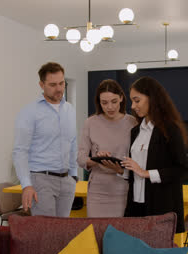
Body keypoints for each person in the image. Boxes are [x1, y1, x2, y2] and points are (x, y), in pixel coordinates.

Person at [121, 76, 188, 233]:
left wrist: (145, 173)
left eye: (137, 100)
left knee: (156, 253)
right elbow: (135, 169)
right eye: (132, 101)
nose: (133, 106)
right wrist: (120, 168)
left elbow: (182, 170)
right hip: (135, 204)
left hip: (160, 204)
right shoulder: (135, 131)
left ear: (152, 98)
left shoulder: (170, 129)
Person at [12, 62, 78, 217]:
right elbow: (20, 151)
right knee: (46, 233)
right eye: (53, 84)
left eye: (62, 83)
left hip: (67, 180)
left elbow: (73, 142)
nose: (59, 88)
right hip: (41, 180)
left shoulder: (69, 110)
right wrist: (26, 185)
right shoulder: (29, 112)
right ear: (41, 85)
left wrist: (74, 174)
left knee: (63, 231)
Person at [77, 79, 137, 217]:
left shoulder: (132, 123)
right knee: (96, 233)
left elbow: (139, 161)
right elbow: (80, 158)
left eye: (114, 101)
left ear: (121, 98)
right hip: (97, 190)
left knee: (120, 234)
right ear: (99, 102)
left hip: (123, 189)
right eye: (104, 103)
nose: (110, 107)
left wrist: (121, 169)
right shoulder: (90, 123)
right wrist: (96, 160)